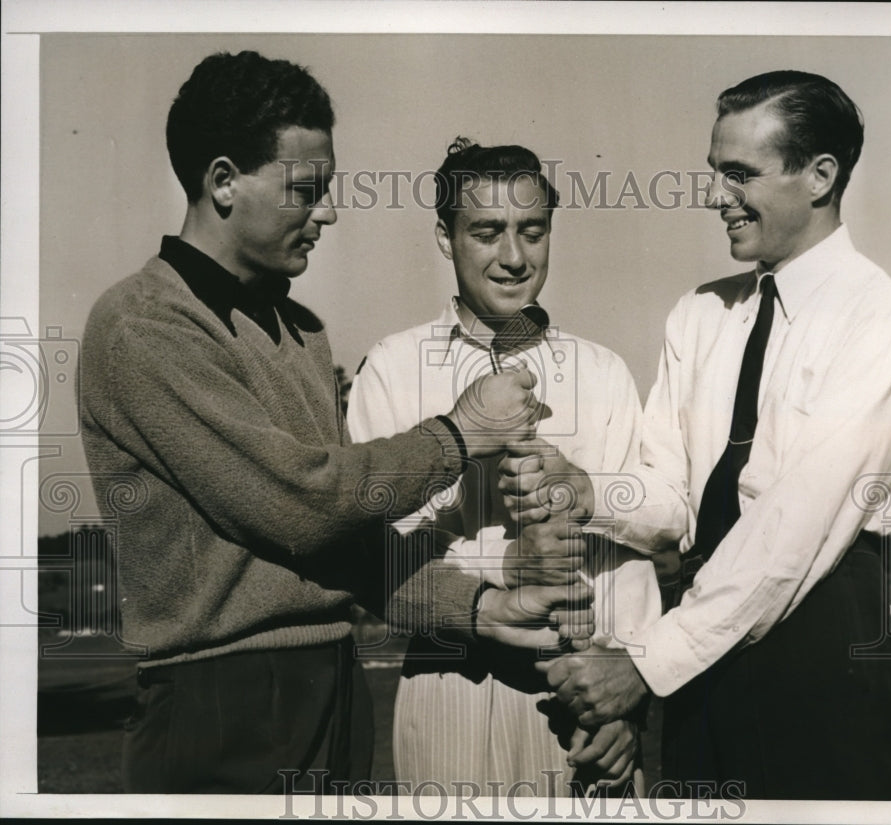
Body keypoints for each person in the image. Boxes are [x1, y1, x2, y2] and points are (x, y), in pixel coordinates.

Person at [79, 51, 585, 794]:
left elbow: (347, 549)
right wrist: (461, 431)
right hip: (217, 700)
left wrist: (482, 607)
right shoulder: (144, 326)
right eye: (306, 191)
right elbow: (303, 505)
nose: (330, 212)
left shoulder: (300, 329)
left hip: (336, 684)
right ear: (223, 181)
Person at [522, 71, 891, 799]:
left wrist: (647, 663)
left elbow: (796, 525)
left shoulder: (883, 320)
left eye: (740, 173)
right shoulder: (700, 314)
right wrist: (584, 487)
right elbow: (674, 497)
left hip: (825, 646)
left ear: (820, 176)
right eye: (715, 172)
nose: (717, 195)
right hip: (709, 643)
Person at [347, 139, 662, 797]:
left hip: (576, 696)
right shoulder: (394, 364)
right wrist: (500, 564)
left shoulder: (600, 370)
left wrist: (628, 691)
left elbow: (636, 552)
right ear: (445, 235)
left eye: (532, 231)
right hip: (446, 678)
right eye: (487, 232)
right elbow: (371, 553)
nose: (514, 257)